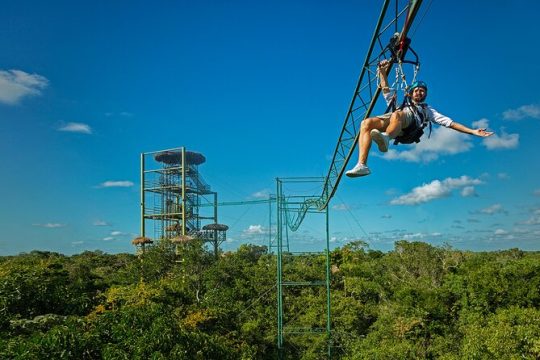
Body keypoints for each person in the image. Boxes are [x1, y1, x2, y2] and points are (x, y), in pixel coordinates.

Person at [345, 60, 494, 177]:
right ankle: (362, 165)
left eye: (422, 91)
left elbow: (450, 123)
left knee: (397, 114)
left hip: (409, 128)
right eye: (416, 90)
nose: (419, 93)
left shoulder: (427, 110)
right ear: (410, 93)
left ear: (425, 95)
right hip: (397, 121)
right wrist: (382, 72)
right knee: (366, 123)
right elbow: (385, 89)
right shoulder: (400, 103)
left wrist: (472, 131)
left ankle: (386, 138)